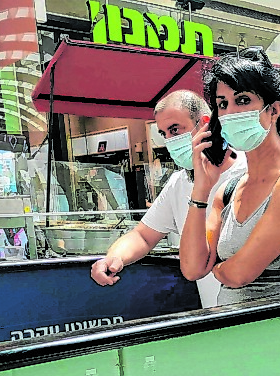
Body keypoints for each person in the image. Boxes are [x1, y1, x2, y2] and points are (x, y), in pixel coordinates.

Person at [179, 47, 280, 306]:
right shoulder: (228, 190)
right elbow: (193, 269)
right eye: (222, 104)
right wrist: (201, 190)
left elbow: (238, 274)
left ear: (273, 110)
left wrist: (219, 270)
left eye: (243, 100)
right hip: (235, 331)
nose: (231, 113)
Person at [90, 90, 247, 308]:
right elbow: (144, 235)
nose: (170, 141)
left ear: (204, 123)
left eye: (175, 130)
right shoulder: (179, 182)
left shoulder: (249, 172)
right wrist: (114, 258)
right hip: (215, 315)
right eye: (164, 134)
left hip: (261, 313)